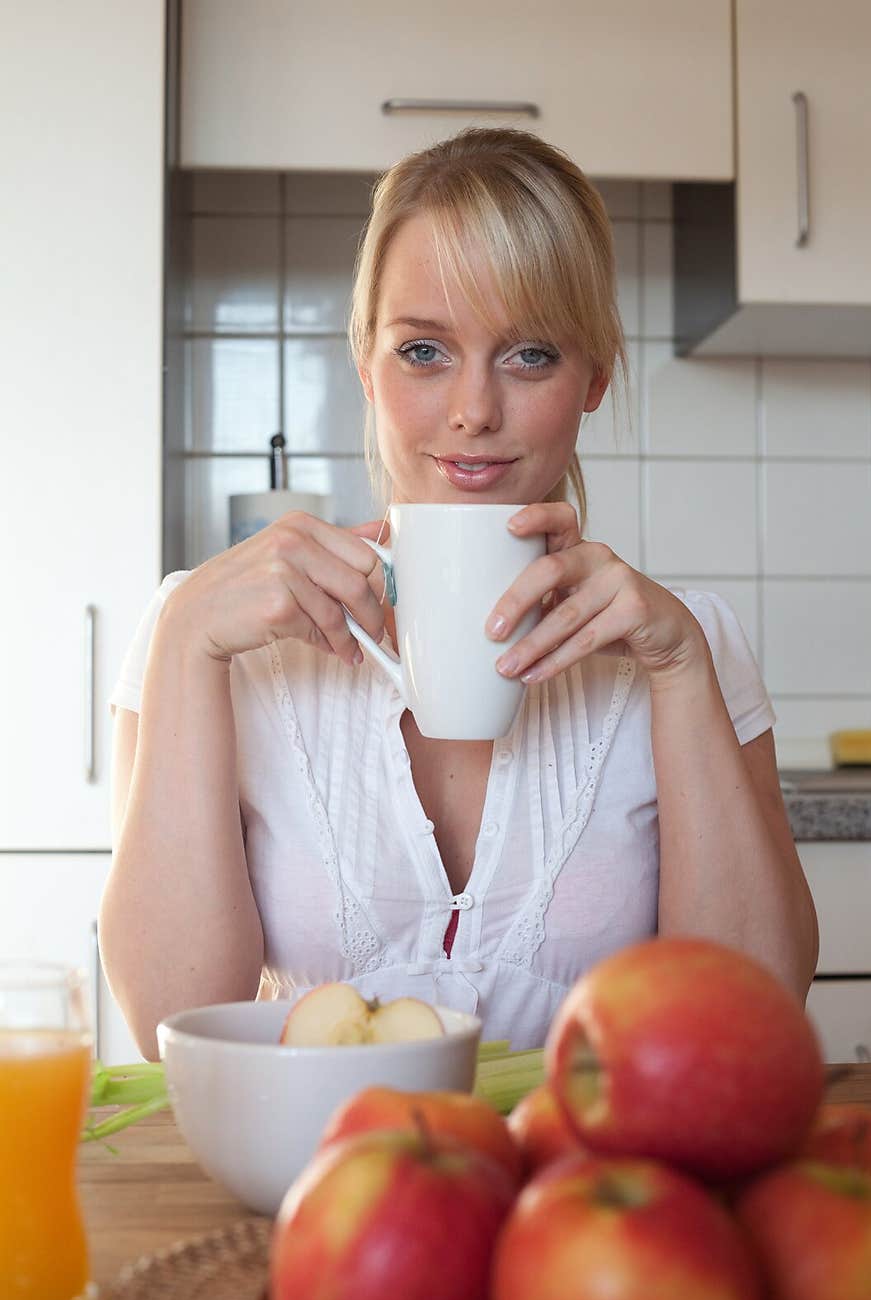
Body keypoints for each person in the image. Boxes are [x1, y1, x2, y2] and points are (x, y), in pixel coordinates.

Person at [100, 127, 818, 1062]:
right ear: (365, 363)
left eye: (529, 355)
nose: (474, 409)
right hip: (303, 1186)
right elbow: (169, 1023)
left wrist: (678, 669)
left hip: (582, 1189)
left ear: (595, 376)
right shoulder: (201, 638)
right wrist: (188, 639)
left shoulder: (688, 645)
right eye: (424, 351)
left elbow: (748, 1022)